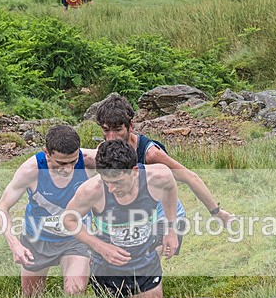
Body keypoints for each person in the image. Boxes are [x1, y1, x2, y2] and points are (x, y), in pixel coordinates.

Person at [64, 140, 179, 298]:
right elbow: (68, 219)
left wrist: (170, 230)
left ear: (134, 171)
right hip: (106, 267)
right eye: (106, 181)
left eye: (117, 182)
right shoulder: (91, 191)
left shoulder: (159, 176)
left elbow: (170, 187)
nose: (111, 188)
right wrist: (99, 246)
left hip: (145, 260)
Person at [95, 94, 237, 226]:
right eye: (106, 130)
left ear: (131, 126)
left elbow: (190, 177)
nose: (111, 137)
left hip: (161, 208)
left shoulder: (150, 154)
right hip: (131, 209)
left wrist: (217, 213)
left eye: (118, 130)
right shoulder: (104, 149)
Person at [0, 125, 93, 298]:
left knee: (74, 293)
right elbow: (2, 207)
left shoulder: (89, 160)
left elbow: (128, 163)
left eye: (73, 161)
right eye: (61, 163)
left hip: (75, 239)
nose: (68, 168)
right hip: (37, 239)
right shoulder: (31, 170)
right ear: (47, 152)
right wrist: (15, 245)